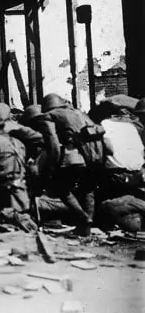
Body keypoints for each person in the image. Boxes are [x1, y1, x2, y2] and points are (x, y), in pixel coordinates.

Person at [41, 93, 108, 235]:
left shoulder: (50, 116)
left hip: (74, 157)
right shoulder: (79, 113)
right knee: (88, 189)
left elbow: (53, 145)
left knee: (61, 189)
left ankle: (82, 218)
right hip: (94, 156)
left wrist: (51, 166)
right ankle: (87, 227)